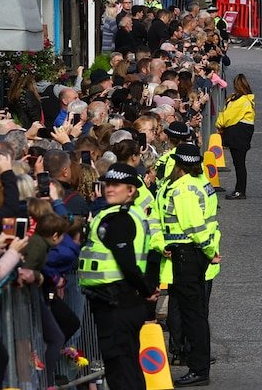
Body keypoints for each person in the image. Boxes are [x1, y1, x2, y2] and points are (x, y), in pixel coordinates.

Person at [78, 163, 155, 390]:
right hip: (119, 300)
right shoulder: (126, 214)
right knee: (125, 364)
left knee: (121, 367)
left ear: (130, 190)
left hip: (117, 302)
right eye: (107, 184)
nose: (109, 189)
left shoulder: (120, 219)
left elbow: (127, 262)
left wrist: (146, 289)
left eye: (116, 185)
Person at [156, 144, 219, 387]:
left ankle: (198, 368)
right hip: (194, 254)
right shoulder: (200, 181)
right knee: (195, 312)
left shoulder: (183, 189)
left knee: (192, 314)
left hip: (188, 255)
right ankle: (198, 365)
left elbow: (194, 226)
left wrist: (209, 250)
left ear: (178, 164)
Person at [216, 74, 255, 200]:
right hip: (243, 132)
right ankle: (240, 189)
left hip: (238, 133)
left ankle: (240, 190)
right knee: (239, 162)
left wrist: (218, 124)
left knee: (239, 163)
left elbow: (227, 117)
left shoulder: (240, 101)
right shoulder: (246, 99)